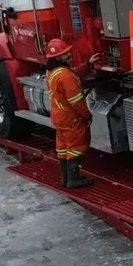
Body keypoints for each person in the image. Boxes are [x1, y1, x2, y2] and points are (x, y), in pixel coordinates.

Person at [44, 39, 93, 189]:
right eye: (65, 53)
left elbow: (72, 74)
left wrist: (87, 65)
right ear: (58, 57)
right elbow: (76, 101)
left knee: (63, 148)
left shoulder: (52, 72)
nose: (69, 55)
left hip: (59, 116)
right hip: (70, 117)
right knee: (76, 146)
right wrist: (86, 115)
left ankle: (66, 178)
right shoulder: (65, 75)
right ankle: (74, 179)